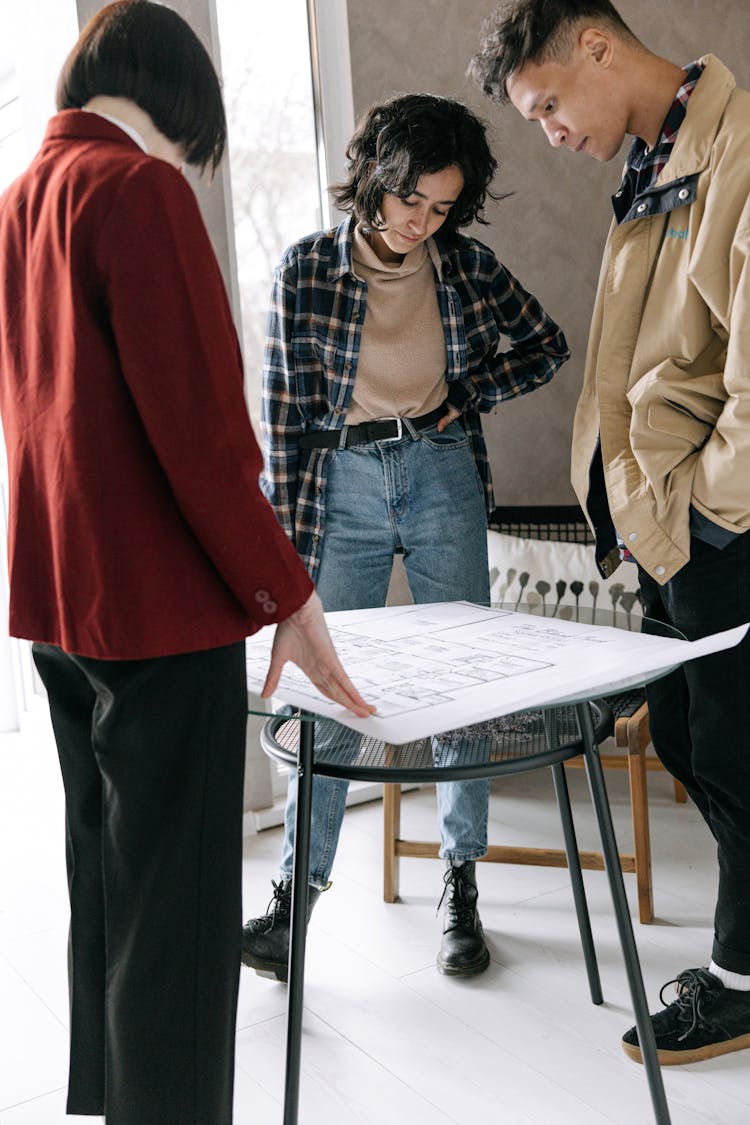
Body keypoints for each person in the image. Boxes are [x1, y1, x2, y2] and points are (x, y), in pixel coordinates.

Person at [0, 3, 373, 1122]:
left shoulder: (19, 202)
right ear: (177, 104)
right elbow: (204, 431)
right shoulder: (139, 190)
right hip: (160, 612)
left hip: (63, 602)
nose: (191, 164)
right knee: (180, 909)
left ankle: (111, 1102)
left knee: (110, 885)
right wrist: (289, 595)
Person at [471, 0, 750, 1066]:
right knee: (687, 733)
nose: (549, 131)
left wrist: (703, 515)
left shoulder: (735, 151)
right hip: (661, 524)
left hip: (713, 524)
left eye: (546, 105)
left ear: (595, 44)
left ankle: (740, 976)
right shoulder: (653, 157)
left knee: (733, 744)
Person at [241, 92, 569, 984]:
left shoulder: (463, 266)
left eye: (442, 207)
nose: (422, 222)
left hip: (439, 474)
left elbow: (545, 343)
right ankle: (293, 898)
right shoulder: (306, 270)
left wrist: (470, 399)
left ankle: (459, 881)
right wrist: (282, 562)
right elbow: (283, 431)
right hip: (340, 483)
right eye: (409, 199)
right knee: (329, 691)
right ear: (373, 180)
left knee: (466, 687)